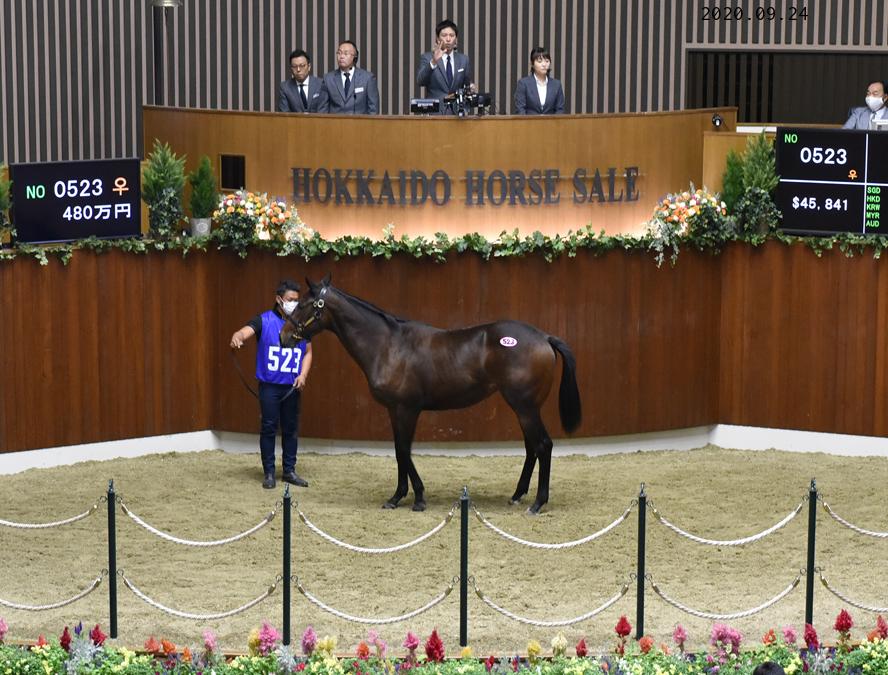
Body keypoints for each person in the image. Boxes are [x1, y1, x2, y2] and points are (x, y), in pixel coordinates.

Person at [229, 280, 312, 489]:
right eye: (290, 299)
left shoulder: (302, 324)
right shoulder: (264, 320)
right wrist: (237, 337)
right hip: (270, 387)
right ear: (279, 299)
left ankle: (289, 471)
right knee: (268, 428)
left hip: (292, 387)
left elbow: (308, 352)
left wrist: (303, 375)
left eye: (297, 300)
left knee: (291, 429)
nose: (294, 304)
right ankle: (269, 473)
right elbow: (244, 332)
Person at [416, 19, 474, 114]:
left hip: (457, 114)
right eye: (444, 35)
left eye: (451, 35)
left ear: (456, 39)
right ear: (437, 39)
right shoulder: (427, 57)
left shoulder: (464, 59)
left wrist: (470, 88)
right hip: (435, 113)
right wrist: (433, 62)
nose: (448, 39)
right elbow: (420, 81)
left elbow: (466, 85)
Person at [319, 40, 379, 114]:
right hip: (335, 121)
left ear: (355, 57)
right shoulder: (328, 79)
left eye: (345, 53)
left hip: (359, 121)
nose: (341, 56)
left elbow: (373, 110)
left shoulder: (368, 78)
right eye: (339, 53)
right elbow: (322, 110)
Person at [514, 47, 566, 115]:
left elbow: (560, 109)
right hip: (529, 121)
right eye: (540, 61)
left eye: (547, 61)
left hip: (551, 121)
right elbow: (520, 109)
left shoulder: (556, 85)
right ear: (532, 64)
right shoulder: (523, 84)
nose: (544, 64)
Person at [278, 49, 325, 113]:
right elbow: (284, 114)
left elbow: (323, 111)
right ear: (291, 69)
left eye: (302, 65)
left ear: (309, 67)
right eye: (294, 66)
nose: (298, 69)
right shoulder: (285, 87)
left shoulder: (320, 84)